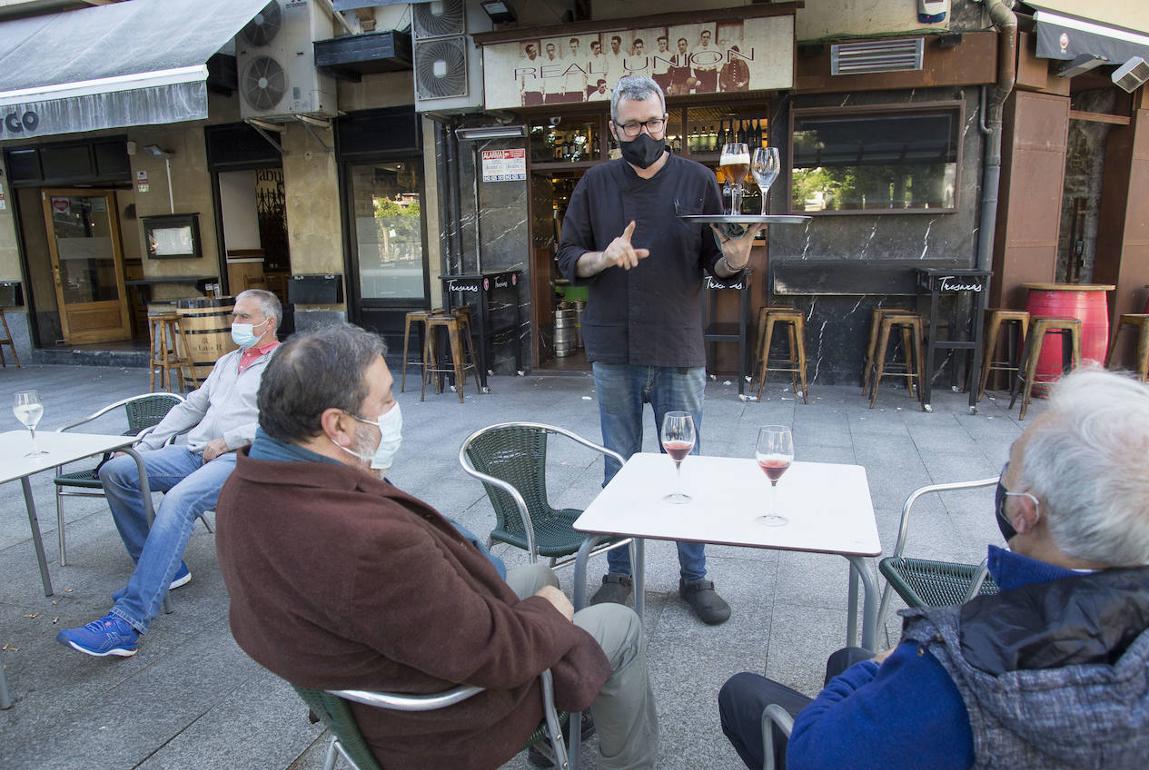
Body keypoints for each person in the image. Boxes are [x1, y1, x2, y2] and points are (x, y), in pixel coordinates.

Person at [718, 367, 1149, 770]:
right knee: (847, 654)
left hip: (916, 723)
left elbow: (817, 756)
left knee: (750, 690)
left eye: (1012, 464)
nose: (1004, 474)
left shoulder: (953, 670)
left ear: (1025, 511)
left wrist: (880, 668)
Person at [215, 324, 658, 770]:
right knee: (618, 624)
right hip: (440, 719)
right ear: (338, 425)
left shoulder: (242, 490)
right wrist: (548, 613)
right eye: (386, 399)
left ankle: (557, 731)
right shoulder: (366, 541)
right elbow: (492, 653)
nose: (394, 409)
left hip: (374, 676)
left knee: (537, 575)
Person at [555, 76, 761, 626]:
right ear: (613, 129)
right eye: (631, 125)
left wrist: (736, 262)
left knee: (683, 470)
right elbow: (566, 258)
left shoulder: (697, 181)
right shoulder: (595, 184)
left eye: (652, 122)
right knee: (616, 469)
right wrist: (604, 256)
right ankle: (618, 574)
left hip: (677, 347)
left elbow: (715, 266)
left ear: (666, 122)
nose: (643, 133)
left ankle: (694, 577)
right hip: (613, 348)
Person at [56, 289, 282, 657]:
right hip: (194, 452)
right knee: (118, 470)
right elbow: (190, 408)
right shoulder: (228, 361)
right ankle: (167, 569)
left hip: (242, 458)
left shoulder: (285, 364)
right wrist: (142, 447)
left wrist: (229, 440)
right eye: (235, 315)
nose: (234, 323)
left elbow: (287, 421)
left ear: (267, 322)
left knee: (179, 499)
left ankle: (128, 622)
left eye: (243, 316)